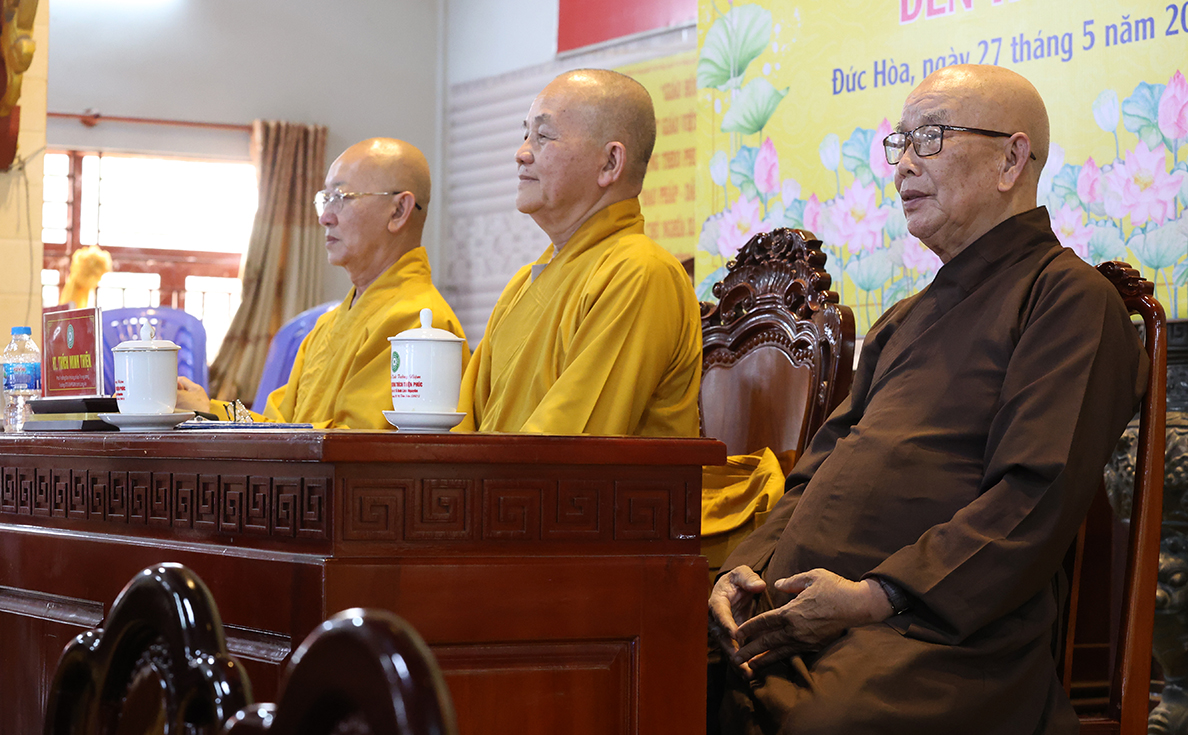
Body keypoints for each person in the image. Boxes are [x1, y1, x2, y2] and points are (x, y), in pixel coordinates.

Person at [708, 64, 1148, 734]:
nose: (904, 165)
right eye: (900, 143)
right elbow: (813, 473)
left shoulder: (1067, 299)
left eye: (931, 138)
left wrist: (873, 596)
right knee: (666, 663)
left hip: (939, 633)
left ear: (1011, 159)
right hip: (804, 615)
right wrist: (745, 567)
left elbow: (1034, 496)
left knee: (817, 723)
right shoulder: (903, 318)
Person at [455, 69, 702, 436]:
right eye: (525, 135)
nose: (521, 154)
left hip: (558, 475)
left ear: (610, 163)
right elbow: (464, 426)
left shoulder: (640, 273)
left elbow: (570, 446)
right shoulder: (522, 284)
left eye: (543, 136)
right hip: (494, 473)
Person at [176, 138, 467, 429]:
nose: (325, 217)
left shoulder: (420, 324)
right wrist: (208, 409)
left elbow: (360, 445)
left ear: (399, 210)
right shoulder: (326, 327)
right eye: (325, 199)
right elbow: (280, 427)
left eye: (342, 197)